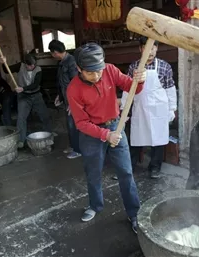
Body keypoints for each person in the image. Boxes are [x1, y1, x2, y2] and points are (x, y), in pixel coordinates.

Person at [66, 43, 146, 233]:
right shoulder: (73, 89)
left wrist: (139, 80)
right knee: (93, 173)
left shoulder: (109, 70)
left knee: (126, 172)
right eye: (91, 73)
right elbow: (81, 123)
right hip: (91, 134)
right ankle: (95, 205)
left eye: (99, 70)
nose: (97, 76)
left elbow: (132, 87)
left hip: (115, 126)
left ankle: (134, 213)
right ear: (79, 69)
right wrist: (105, 135)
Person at [120, 36, 177, 179]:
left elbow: (170, 89)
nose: (150, 51)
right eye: (146, 48)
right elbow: (128, 89)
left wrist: (172, 109)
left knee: (158, 140)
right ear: (141, 49)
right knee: (136, 137)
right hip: (140, 107)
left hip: (159, 109)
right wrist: (124, 108)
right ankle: (130, 166)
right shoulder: (135, 67)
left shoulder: (165, 67)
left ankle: (155, 168)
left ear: (157, 48)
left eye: (153, 47)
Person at [0, 53, 52, 149]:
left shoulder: (38, 69)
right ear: (25, 63)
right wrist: (4, 63)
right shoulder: (20, 66)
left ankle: (49, 135)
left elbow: (35, 85)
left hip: (36, 95)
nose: (32, 67)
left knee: (45, 115)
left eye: (33, 65)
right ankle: (21, 140)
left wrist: (23, 88)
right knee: (21, 118)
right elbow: (6, 70)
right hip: (23, 97)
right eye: (29, 65)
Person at [49, 39, 81, 159]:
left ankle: (78, 150)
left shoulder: (71, 62)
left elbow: (75, 83)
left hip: (73, 100)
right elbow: (63, 82)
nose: (52, 56)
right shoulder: (62, 62)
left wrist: (73, 102)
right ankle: (73, 146)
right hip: (66, 98)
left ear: (56, 52)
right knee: (69, 124)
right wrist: (60, 96)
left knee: (73, 124)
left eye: (52, 53)